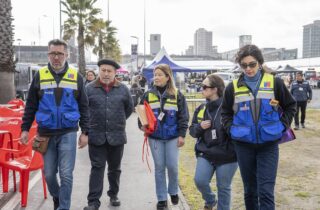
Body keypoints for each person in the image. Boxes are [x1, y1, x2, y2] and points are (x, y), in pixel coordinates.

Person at [221, 45, 296, 210]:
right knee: (250, 191)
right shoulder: (232, 87)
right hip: (243, 145)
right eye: (244, 65)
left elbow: (291, 106)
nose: (248, 69)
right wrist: (230, 129)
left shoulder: (274, 82)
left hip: (268, 145)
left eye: (252, 64)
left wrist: (282, 126)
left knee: (266, 191)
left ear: (260, 63)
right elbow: (225, 112)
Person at [20, 39, 90, 210]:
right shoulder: (40, 75)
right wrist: (25, 129)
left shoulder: (76, 77)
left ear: (66, 55)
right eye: (53, 53)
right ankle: (58, 197)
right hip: (45, 133)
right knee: (49, 174)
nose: (56, 57)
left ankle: (63, 207)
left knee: (66, 175)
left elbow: (84, 106)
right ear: (48, 55)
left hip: (68, 132)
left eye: (60, 53)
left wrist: (85, 132)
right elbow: (31, 105)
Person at [83, 59, 134, 210]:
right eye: (103, 70)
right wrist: (86, 130)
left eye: (109, 71)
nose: (106, 73)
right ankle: (93, 202)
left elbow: (129, 108)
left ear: (114, 73)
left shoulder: (123, 89)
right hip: (96, 136)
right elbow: (84, 111)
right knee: (97, 168)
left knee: (115, 168)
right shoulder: (89, 89)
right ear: (99, 71)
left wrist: (117, 121)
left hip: (117, 136)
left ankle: (113, 194)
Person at [138, 64, 189, 210]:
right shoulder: (147, 94)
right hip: (155, 137)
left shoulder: (177, 94)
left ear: (168, 77)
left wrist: (181, 135)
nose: (157, 77)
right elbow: (141, 113)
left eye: (160, 74)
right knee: (159, 167)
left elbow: (183, 116)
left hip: (173, 137)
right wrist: (142, 125)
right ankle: (161, 198)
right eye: (155, 74)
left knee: (172, 166)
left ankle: (173, 191)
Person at [189, 74, 238, 210]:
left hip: (228, 155)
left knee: (224, 188)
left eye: (205, 87)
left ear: (215, 89)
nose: (201, 89)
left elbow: (238, 131)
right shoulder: (201, 109)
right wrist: (199, 127)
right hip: (206, 153)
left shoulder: (230, 108)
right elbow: (192, 131)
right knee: (200, 181)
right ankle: (210, 200)